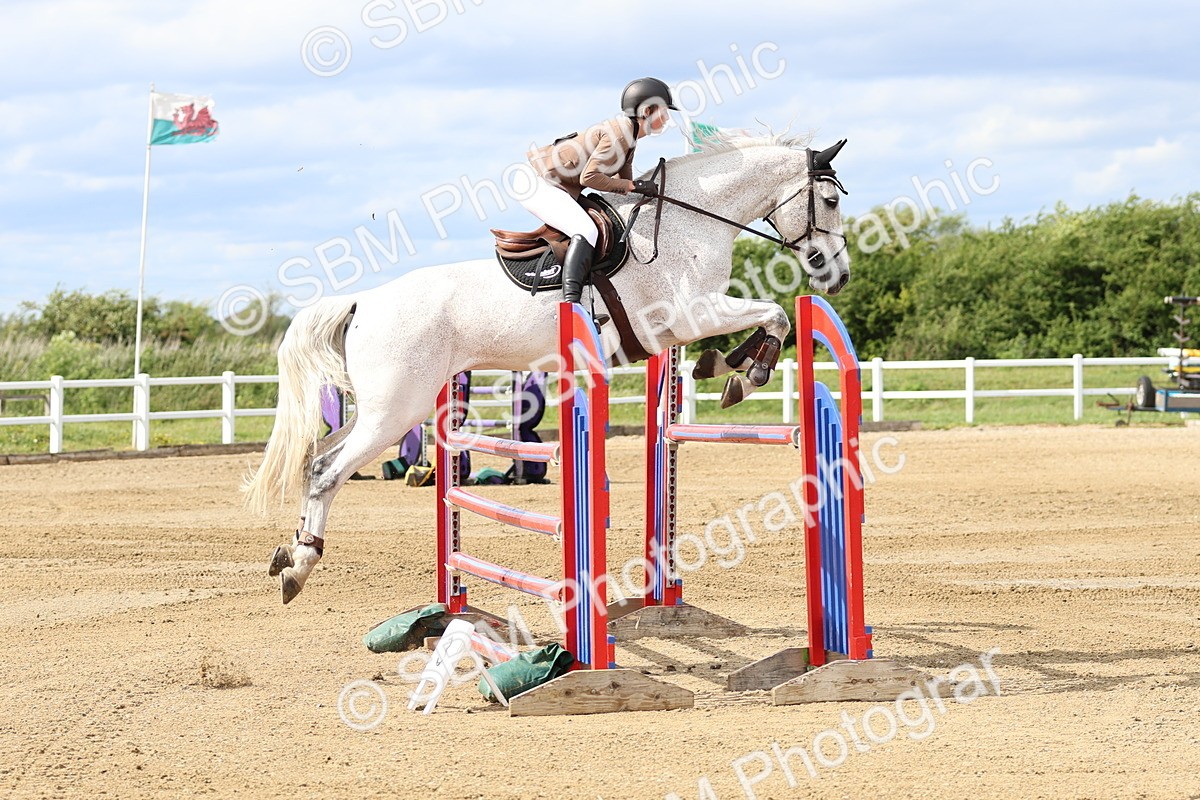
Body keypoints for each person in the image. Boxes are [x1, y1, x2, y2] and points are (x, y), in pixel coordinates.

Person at [522, 77, 677, 304]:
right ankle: (571, 304)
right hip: (537, 182)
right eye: (664, 111)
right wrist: (633, 186)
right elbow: (590, 177)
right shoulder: (619, 135)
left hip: (556, 184)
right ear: (646, 111)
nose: (667, 118)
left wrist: (640, 191)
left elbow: (623, 176)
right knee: (586, 229)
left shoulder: (630, 135)